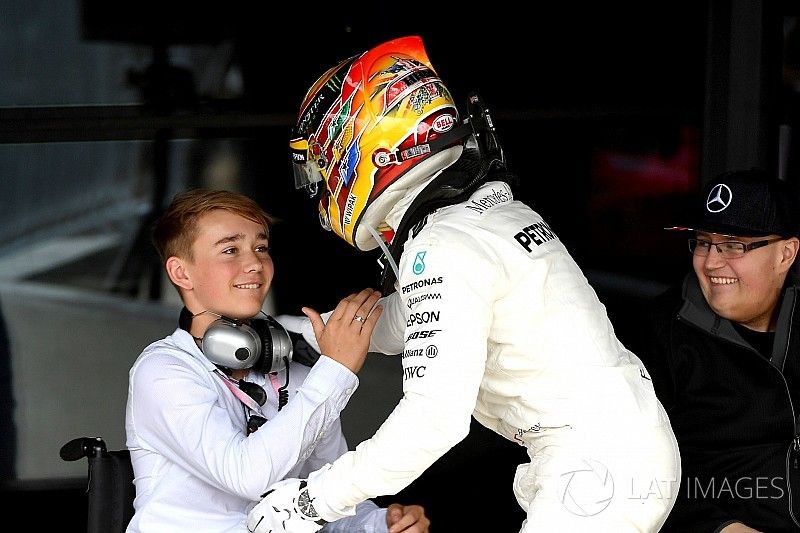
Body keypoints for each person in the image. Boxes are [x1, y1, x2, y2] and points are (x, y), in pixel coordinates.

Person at [246, 35, 680, 532]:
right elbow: (404, 321)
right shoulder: (481, 217)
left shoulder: (443, 246)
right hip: (615, 452)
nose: (321, 187)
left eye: (322, 166)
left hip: (596, 467)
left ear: (365, 147)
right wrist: (288, 336)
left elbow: (433, 421)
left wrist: (311, 502)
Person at [124, 188, 430, 532]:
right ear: (181, 273)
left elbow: (328, 500)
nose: (255, 263)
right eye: (230, 250)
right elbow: (246, 475)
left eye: (260, 248)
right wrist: (336, 370)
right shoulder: (163, 371)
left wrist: (381, 525)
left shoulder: (293, 368)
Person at [626, 168, 800, 532]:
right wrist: (719, 528)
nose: (711, 262)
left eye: (734, 244)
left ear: (785, 255)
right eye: (704, 242)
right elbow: (623, 465)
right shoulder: (659, 334)